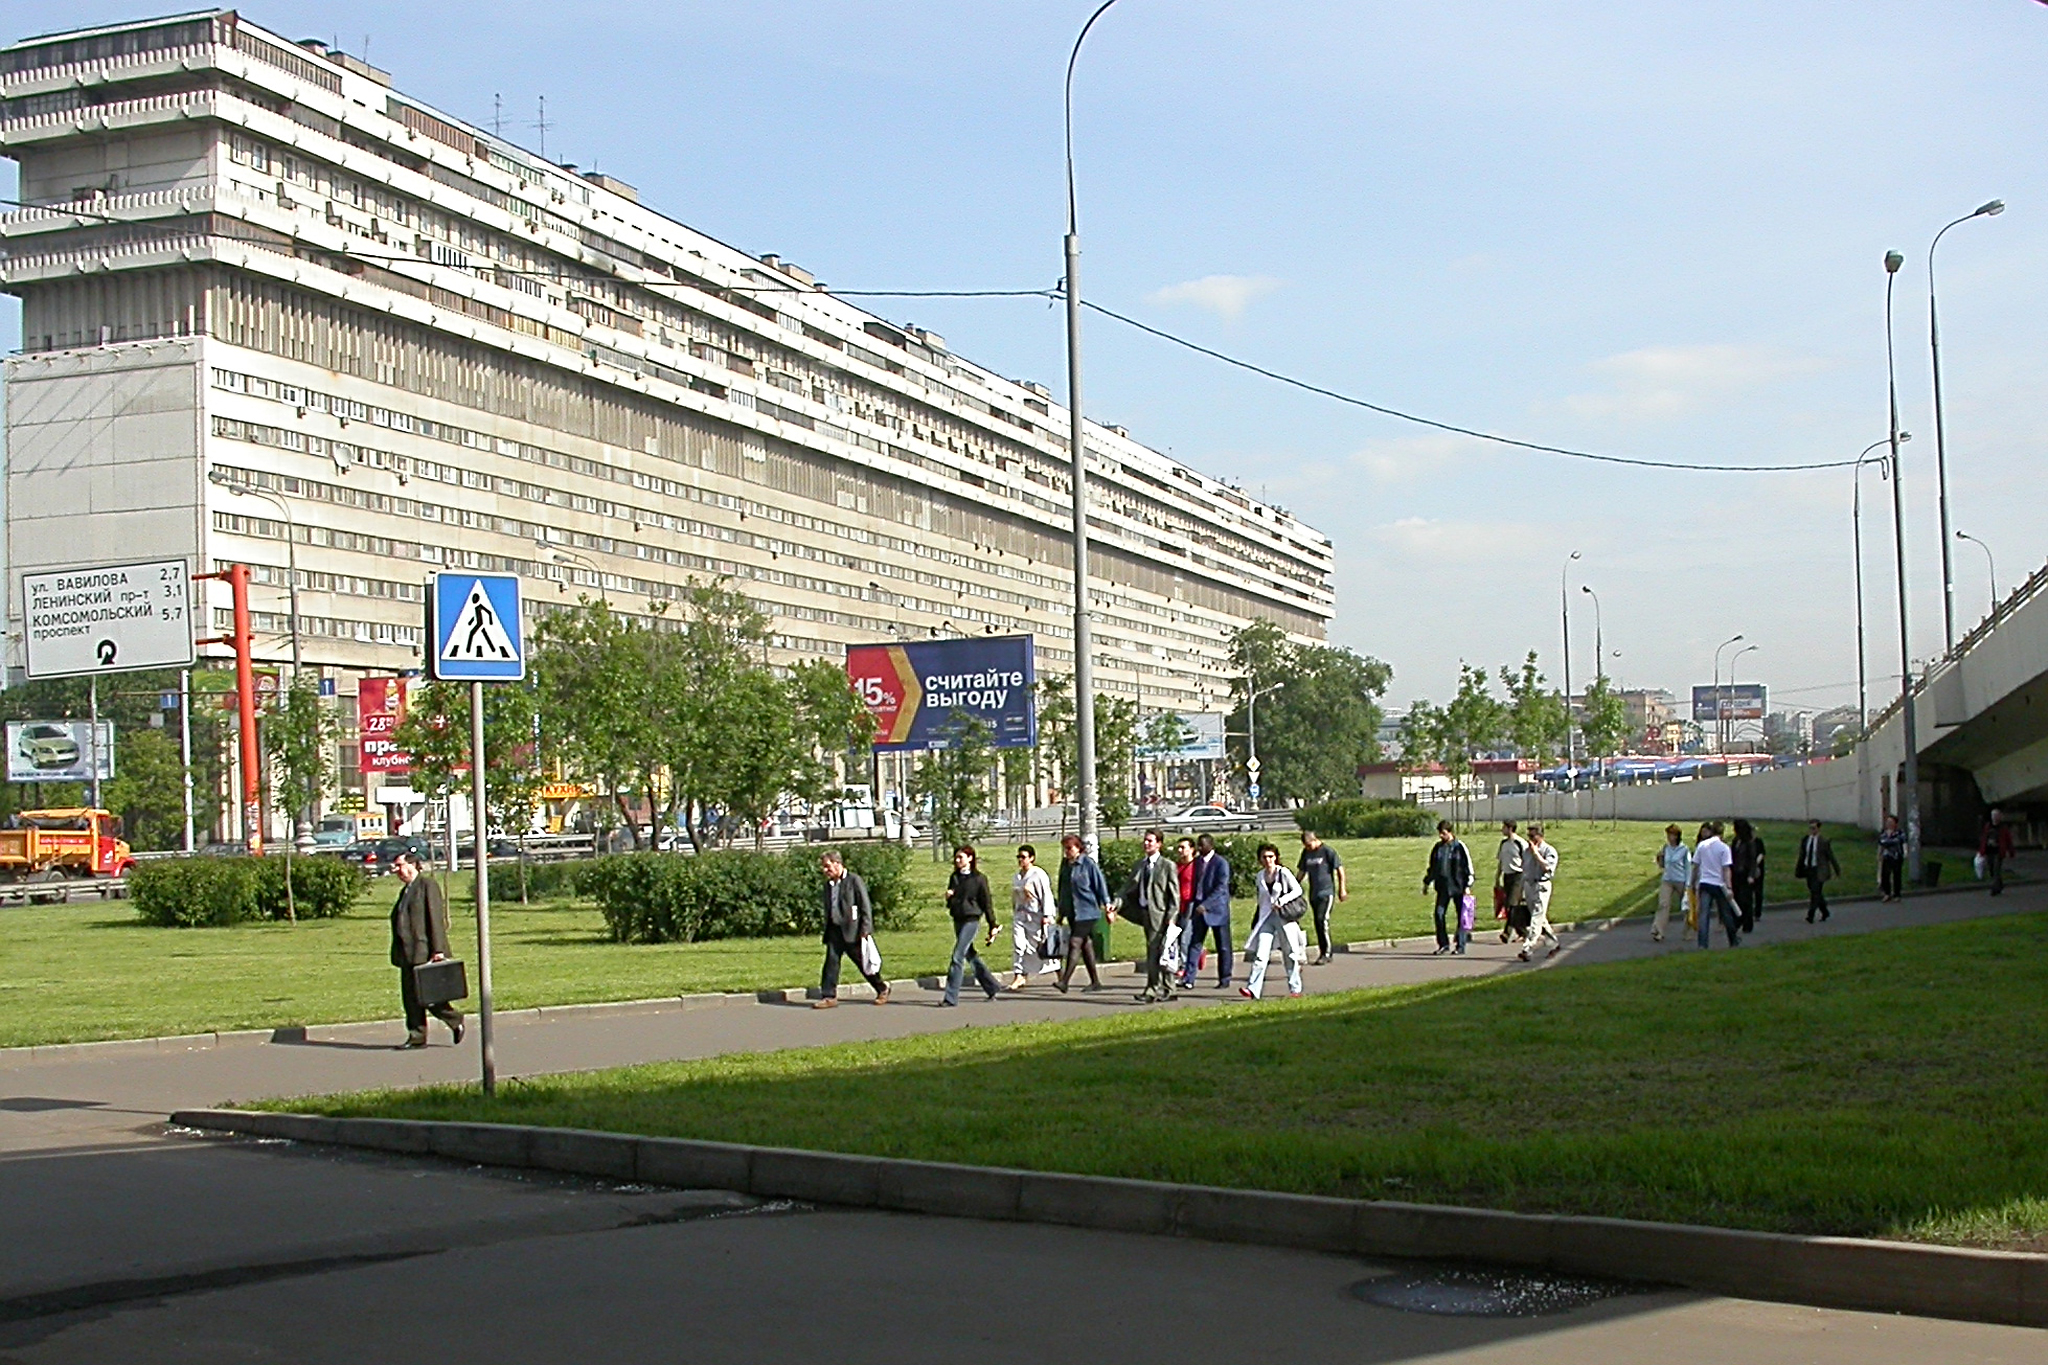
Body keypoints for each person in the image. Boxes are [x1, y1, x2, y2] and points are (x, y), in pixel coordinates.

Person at [390, 850, 462, 1049]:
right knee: (410, 999)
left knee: (429, 996)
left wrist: (438, 949)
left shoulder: (427, 886)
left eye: (399, 865)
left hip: (423, 951)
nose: (396, 870)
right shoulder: (405, 890)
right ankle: (416, 1037)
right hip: (406, 953)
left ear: (412, 865)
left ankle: (455, 1020)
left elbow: (435, 919)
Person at [814, 849, 889, 1008]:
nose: (825, 870)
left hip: (852, 931)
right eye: (824, 867)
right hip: (834, 930)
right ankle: (829, 996)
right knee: (831, 963)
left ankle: (881, 988)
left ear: (837, 863)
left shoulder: (853, 881)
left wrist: (865, 929)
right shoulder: (828, 885)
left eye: (828, 866)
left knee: (863, 963)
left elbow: (865, 905)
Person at [1241, 843, 1308, 999]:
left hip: (1284, 917)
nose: (1268, 860)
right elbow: (1262, 900)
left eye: (1271, 856)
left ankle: (1295, 988)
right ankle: (1253, 989)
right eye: (1264, 857)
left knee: (1289, 953)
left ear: (1276, 857)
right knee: (1261, 955)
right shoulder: (1260, 876)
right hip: (1267, 918)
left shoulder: (1283, 873)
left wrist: (1282, 900)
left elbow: (1298, 890)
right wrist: (1258, 919)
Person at [941, 845, 1000, 1006]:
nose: (957, 860)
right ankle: (992, 987)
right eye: (956, 857)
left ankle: (950, 997)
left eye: (961, 857)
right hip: (958, 918)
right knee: (970, 955)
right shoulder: (955, 877)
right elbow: (953, 900)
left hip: (972, 919)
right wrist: (949, 897)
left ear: (970, 858)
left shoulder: (979, 879)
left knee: (957, 956)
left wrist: (992, 924)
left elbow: (986, 903)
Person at [1126, 829, 1181, 1003]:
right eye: (1145, 840)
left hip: (1162, 915)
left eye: (1150, 841)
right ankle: (1168, 988)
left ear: (1159, 844)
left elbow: (1175, 895)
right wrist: (1116, 904)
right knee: (1158, 951)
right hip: (1145, 913)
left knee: (1158, 951)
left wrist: (1172, 917)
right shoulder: (1140, 865)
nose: (1146, 843)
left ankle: (1153, 990)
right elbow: (1128, 888)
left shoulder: (1167, 865)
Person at [1054, 835, 1110, 992]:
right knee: (1086, 945)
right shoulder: (1065, 865)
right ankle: (1095, 982)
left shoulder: (1087, 864)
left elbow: (1100, 884)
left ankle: (1064, 981)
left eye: (1070, 848)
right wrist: (1061, 912)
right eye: (1065, 848)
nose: (1067, 852)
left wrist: (1107, 905)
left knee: (1075, 942)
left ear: (1078, 848)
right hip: (1072, 911)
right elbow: (1063, 888)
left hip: (1088, 911)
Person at [1181, 833, 1234, 990]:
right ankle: (1189, 977)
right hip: (1198, 910)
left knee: (1223, 946)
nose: (1199, 848)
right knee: (1194, 943)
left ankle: (1224, 978)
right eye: (1198, 844)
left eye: (1202, 845)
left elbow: (1221, 887)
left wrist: (1206, 904)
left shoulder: (1220, 863)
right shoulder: (1197, 862)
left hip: (1217, 910)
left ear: (1210, 845)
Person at [1008, 844, 1058, 989]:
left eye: (1023, 857)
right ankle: (1019, 975)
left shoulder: (1038, 874)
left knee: (1041, 946)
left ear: (1032, 858)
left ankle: (1059, 973)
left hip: (1036, 916)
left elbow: (1046, 895)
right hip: (1021, 916)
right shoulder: (1017, 877)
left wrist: (1047, 915)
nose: (1020, 860)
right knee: (1019, 945)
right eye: (1019, 857)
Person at [1421, 819, 1473, 955]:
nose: (1440, 836)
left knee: (1461, 915)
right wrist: (1427, 882)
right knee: (1439, 914)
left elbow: (1467, 867)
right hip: (1443, 887)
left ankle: (1460, 945)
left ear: (1450, 832)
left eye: (1443, 833)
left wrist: (1467, 885)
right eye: (1439, 833)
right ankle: (1443, 944)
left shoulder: (1459, 847)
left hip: (1458, 886)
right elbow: (1433, 867)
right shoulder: (1437, 848)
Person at [1296, 830, 1346, 965]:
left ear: (1314, 840)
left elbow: (1340, 870)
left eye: (1309, 845)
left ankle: (1327, 953)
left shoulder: (1327, 851)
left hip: (1326, 892)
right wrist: (1294, 885)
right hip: (1314, 893)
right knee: (1317, 923)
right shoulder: (1306, 853)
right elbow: (1302, 871)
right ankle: (1322, 950)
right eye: (1305, 846)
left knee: (1322, 920)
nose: (1308, 848)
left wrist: (1342, 889)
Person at [1690, 821, 1741, 948]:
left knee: (1704, 914)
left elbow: (1696, 866)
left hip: (1704, 883)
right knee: (1725, 913)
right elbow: (1726, 869)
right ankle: (1733, 940)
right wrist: (1729, 887)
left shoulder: (1702, 845)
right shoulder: (1724, 848)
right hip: (1719, 884)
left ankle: (1702, 943)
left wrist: (1692, 882)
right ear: (1722, 833)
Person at [1517, 822, 1560, 961]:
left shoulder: (1549, 851)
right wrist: (1521, 890)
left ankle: (1527, 947)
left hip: (1541, 885)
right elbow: (1524, 870)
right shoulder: (1526, 851)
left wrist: (1536, 854)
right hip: (1529, 885)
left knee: (1536, 917)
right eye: (1528, 835)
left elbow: (1547, 868)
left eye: (1533, 836)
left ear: (1540, 836)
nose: (1530, 839)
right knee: (1540, 918)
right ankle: (1554, 944)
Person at [1794, 820, 1841, 923]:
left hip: (1818, 870)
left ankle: (1810, 915)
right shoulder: (1806, 840)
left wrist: (1837, 870)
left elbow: (1831, 856)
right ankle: (1825, 911)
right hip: (1808, 869)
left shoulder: (1823, 842)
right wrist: (1799, 868)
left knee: (1815, 892)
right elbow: (1802, 855)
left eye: (1814, 828)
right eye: (1810, 828)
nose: (1812, 830)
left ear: (1818, 829)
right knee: (1815, 892)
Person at [1652, 824, 1690, 943]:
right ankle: (1658, 930)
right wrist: (1660, 859)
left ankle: (1688, 931)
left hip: (1681, 880)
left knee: (1686, 908)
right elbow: (1663, 865)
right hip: (1667, 879)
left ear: (1677, 836)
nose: (1669, 837)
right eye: (1668, 835)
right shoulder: (1666, 848)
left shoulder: (1684, 850)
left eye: (1671, 835)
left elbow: (1688, 868)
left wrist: (1688, 886)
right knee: (1663, 904)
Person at [1730, 818, 1766, 936]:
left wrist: (1751, 875)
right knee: (1737, 898)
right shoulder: (1736, 841)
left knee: (1746, 900)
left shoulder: (1749, 843)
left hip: (1745, 874)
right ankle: (1738, 921)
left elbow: (1752, 860)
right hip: (1736, 873)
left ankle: (1747, 924)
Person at [1495, 820, 1529, 944]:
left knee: (1511, 904)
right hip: (1507, 875)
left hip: (1518, 876)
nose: (1502, 830)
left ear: (1510, 829)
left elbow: (1527, 861)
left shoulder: (1520, 843)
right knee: (1513, 906)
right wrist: (1497, 877)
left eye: (1504, 827)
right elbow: (1501, 861)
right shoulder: (1503, 843)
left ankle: (1506, 932)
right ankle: (1523, 932)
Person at [1979, 808, 2014, 896]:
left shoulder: (2003, 828)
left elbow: (2008, 840)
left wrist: (2011, 851)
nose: (1995, 818)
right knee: (1991, 869)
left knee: (1996, 869)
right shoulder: (1988, 826)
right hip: (1989, 851)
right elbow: (1984, 838)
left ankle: (1994, 888)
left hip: (1998, 851)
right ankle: (1999, 885)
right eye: (1993, 816)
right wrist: (1981, 851)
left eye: (1996, 816)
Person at [1877, 814, 1906, 902]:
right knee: (1885, 875)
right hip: (1886, 856)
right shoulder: (1883, 833)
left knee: (1897, 875)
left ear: (1895, 823)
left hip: (1896, 856)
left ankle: (1897, 894)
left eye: (1891, 822)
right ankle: (1887, 893)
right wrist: (1879, 854)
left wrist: (1905, 852)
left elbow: (1903, 842)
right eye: (1887, 822)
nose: (1889, 824)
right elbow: (1880, 844)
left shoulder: (1899, 833)